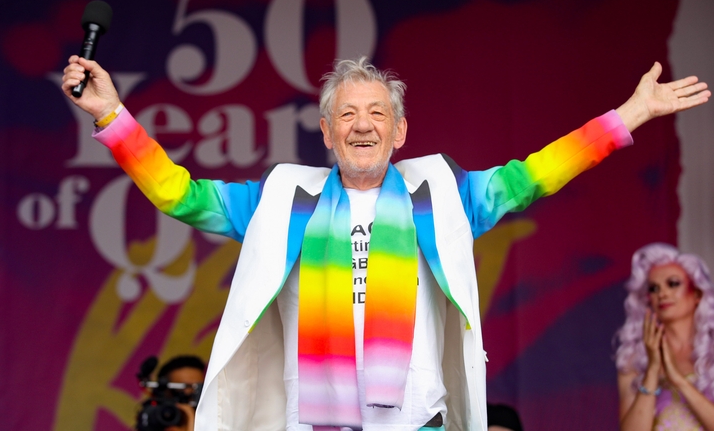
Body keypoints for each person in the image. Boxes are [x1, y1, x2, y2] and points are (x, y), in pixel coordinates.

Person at [62, 54, 709, 431]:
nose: (362, 124)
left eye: (377, 113)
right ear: (326, 132)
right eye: (347, 113)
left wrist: (631, 114)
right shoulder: (282, 199)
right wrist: (112, 116)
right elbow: (179, 194)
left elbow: (535, 174)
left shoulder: (442, 193)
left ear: (400, 132)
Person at [615, 243, 714, 430]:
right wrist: (652, 371)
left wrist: (679, 381)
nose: (662, 293)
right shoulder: (633, 360)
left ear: (697, 293)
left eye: (673, 283)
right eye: (654, 288)